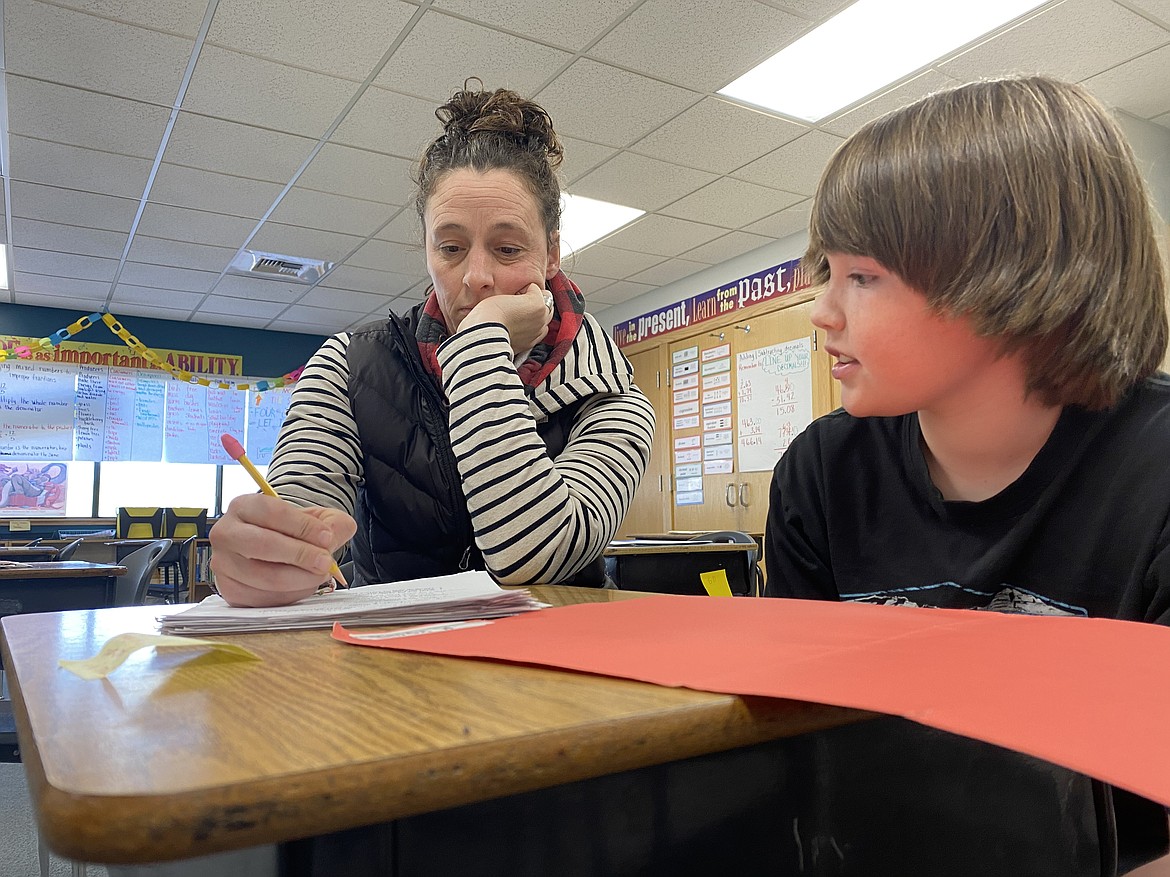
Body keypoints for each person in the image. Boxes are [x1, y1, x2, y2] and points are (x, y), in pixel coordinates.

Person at [764, 75, 1170, 874]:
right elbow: (797, 760)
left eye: (864, 275)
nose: (821, 309)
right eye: (826, 270)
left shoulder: (1156, 469)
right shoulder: (820, 472)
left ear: (1011, 276)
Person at [209, 83, 655, 607]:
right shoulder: (347, 367)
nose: (477, 277)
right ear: (426, 249)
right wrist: (266, 560)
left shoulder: (615, 399)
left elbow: (532, 555)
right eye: (451, 247)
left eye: (508, 248)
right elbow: (298, 529)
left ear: (551, 253)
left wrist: (479, 344)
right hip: (391, 673)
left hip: (560, 674)